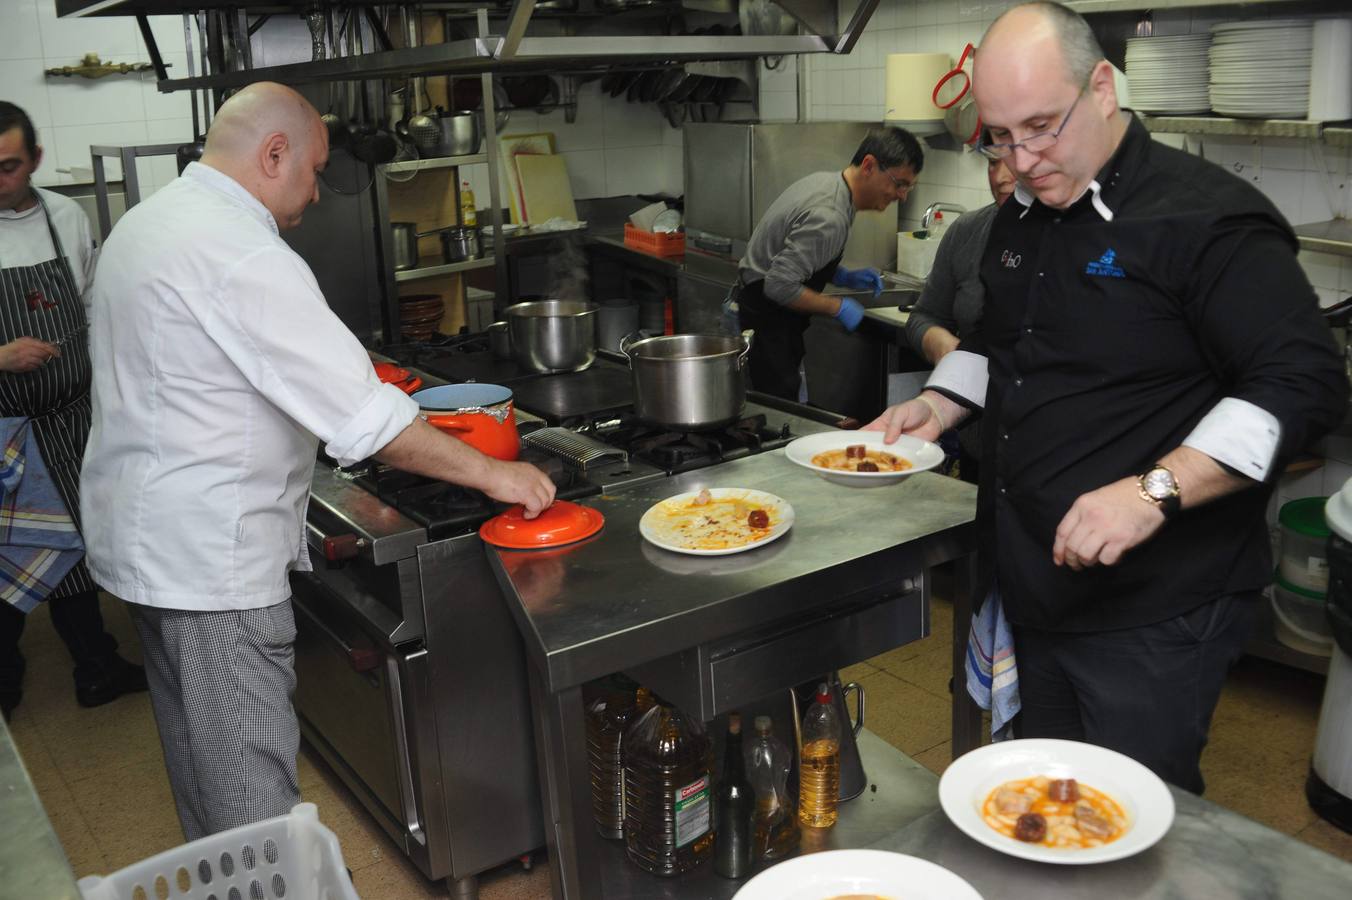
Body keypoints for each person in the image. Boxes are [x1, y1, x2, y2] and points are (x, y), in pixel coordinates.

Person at [867, 2, 1348, 793]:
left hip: (1157, 608)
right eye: (999, 135)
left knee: (1132, 819)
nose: (1020, 160)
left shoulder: (1203, 217)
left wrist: (1153, 490)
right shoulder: (1025, 212)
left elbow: (1302, 381)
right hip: (1038, 577)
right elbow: (1005, 344)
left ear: (1101, 88)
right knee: (1055, 803)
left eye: (1042, 127)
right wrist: (942, 405)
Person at [80, 82, 556, 840]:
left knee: (204, 784)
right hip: (214, 570)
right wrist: (499, 473)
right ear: (273, 154)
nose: (315, 194)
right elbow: (368, 422)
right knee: (252, 804)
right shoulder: (240, 251)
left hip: (148, 551)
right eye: (313, 171)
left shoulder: (147, 223)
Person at [0, 101, 146, 720]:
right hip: (5, 429)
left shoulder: (65, 216)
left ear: (34, 160)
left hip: (71, 417)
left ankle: (97, 666)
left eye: (7, 166)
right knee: (9, 554)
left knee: (78, 546)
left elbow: (92, 307)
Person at [725, 127, 924, 401]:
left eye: (908, 187)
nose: (902, 195)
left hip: (762, 315)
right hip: (764, 321)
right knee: (777, 418)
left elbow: (798, 257)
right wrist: (837, 306)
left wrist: (843, 277)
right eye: (899, 183)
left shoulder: (829, 185)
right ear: (869, 165)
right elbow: (779, 285)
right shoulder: (830, 214)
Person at [904, 152, 1015, 483]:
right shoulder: (968, 231)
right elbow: (924, 315)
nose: (1000, 177)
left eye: (1013, 160)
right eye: (993, 162)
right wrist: (947, 351)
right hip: (976, 446)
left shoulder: (1078, 239)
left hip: (1040, 459)